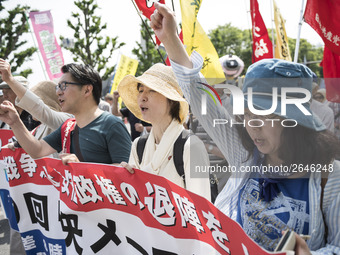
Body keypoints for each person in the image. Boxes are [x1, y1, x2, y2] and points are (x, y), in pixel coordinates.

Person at [150, 2, 340, 253]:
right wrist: (171, 39)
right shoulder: (246, 154)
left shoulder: (329, 177)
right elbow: (199, 97)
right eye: (248, 114)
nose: (253, 126)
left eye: (264, 116)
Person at [0, 60, 131, 165]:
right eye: (58, 87)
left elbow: (126, 174)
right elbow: (37, 150)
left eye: (64, 86)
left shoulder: (112, 125)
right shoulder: (68, 126)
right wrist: (15, 122)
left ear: (86, 90)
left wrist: (83, 169)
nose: (58, 92)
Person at [118, 63, 211, 201]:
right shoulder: (138, 146)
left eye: (152, 90)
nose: (142, 97)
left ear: (172, 100)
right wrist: (125, 182)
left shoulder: (191, 146)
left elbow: (202, 210)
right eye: (141, 90)